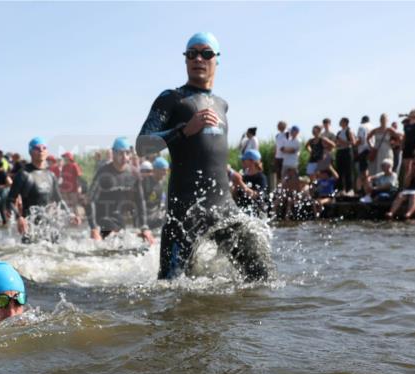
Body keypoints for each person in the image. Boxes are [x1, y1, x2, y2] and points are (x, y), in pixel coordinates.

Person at [136, 32, 272, 281]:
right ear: (186, 60)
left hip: (224, 209)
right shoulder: (171, 99)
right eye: (192, 53)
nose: (199, 58)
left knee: (261, 279)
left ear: (216, 59)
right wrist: (183, 131)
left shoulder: (222, 104)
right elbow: (142, 145)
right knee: (169, 288)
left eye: (206, 53)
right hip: (185, 213)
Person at [87, 137, 155, 244]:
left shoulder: (134, 174)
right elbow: (90, 200)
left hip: (120, 221)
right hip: (102, 220)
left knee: (145, 242)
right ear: (113, 153)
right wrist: (94, 228)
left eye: (127, 153)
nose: (124, 157)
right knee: (113, 242)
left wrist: (145, 227)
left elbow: (140, 202)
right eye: (120, 153)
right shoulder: (103, 173)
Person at [7, 136, 73, 242]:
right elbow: (10, 200)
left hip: (49, 226)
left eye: (44, 148)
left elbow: (59, 200)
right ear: (31, 152)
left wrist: (70, 214)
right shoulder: (23, 174)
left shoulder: (51, 175)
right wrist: (19, 218)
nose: (41, 150)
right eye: (37, 148)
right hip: (30, 227)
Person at [386, 157, 415, 221]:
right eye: (413, 164)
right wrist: (410, 174)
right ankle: (391, 212)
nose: (413, 165)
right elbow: (406, 185)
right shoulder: (410, 171)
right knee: (400, 196)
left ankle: (408, 214)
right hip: (410, 190)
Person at [334, 117, 356, 195]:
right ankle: (341, 189)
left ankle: (349, 189)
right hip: (340, 151)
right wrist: (338, 144)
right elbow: (336, 143)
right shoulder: (339, 132)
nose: (340, 122)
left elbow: (353, 142)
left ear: (345, 122)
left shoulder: (349, 131)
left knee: (348, 171)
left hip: (347, 152)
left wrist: (342, 142)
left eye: (341, 121)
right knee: (339, 171)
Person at [355, 115, 372, 193]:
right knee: (368, 171)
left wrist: (354, 144)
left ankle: (361, 190)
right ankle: (367, 189)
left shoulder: (362, 127)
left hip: (363, 151)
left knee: (363, 172)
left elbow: (360, 140)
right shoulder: (372, 127)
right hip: (372, 151)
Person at [273, 120, 288, 189]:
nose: (278, 126)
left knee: (284, 174)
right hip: (278, 157)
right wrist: (274, 156)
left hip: (285, 157)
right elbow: (276, 146)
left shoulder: (287, 134)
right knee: (278, 175)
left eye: (279, 125)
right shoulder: (277, 135)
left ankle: (285, 188)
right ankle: (279, 189)